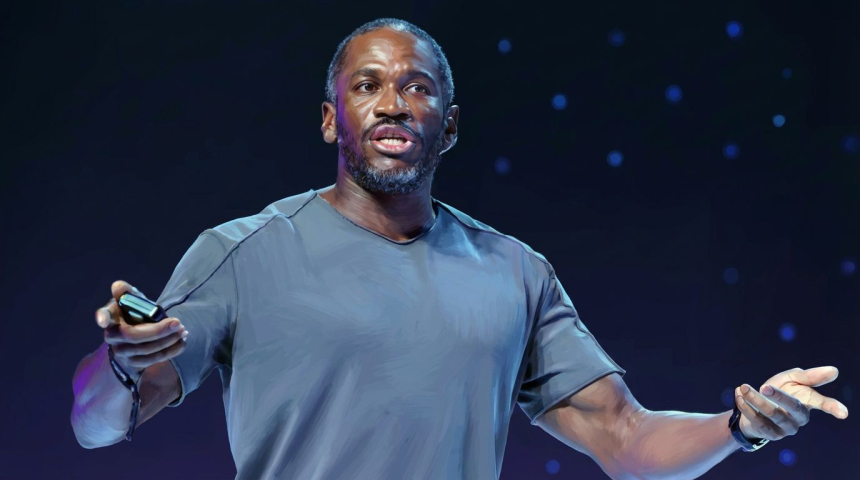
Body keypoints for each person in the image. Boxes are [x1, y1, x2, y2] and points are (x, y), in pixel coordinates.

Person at [71, 18, 849, 480]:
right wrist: (119, 365)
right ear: (331, 119)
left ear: (447, 125)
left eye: (417, 87)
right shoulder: (243, 252)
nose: (392, 102)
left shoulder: (515, 272)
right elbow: (96, 424)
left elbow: (626, 441)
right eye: (367, 85)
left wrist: (740, 426)